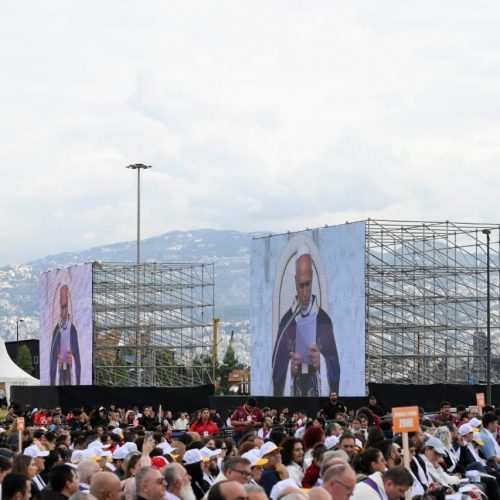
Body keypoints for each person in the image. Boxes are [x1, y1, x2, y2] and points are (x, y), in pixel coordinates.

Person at [272, 248, 340, 397]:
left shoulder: (324, 321)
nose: (304, 293)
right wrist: (289, 368)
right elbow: (276, 367)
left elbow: (335, 365)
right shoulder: (287, 322)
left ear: (312, 278)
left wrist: (321, 363)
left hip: (316, 392)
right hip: (294, 393)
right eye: (301, 285)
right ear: (295, 281)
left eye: (308, 285)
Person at [49, 285, 81, 386]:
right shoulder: (56, 331)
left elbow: (78, 361)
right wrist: (57, 362)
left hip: (70, 375)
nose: (64, 310)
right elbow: (52, 362)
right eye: (62, 307)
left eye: (65, 306)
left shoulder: (73, 331)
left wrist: (72, 362)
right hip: (59, 376)